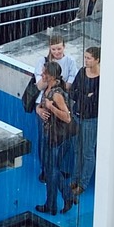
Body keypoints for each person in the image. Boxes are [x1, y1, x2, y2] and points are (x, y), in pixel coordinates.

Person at [34, 69, 75, 214]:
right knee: (50, 170)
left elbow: (67, 117)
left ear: (51, 76)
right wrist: (39, 110)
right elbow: (39, 105)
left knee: (53, 171)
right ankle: (52, 204)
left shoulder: (57, 94)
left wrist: (51, 107)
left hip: (58, 138)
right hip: (49, 135)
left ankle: (63, 198)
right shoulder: (47, 89)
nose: (42, 74)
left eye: (44, 73)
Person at [68, 46, 103, 206]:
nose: (86, 60)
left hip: (91, 119)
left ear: (97, 59)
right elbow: (73, 93)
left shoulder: (102, 78)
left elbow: (96, 101)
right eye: (86, 57)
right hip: (77, 115)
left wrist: (86, 97)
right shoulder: (82, 72)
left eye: (89, 58)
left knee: (88, 152)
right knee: (77, 149)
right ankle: (74, 178)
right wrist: (86, 97)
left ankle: (83, 183)